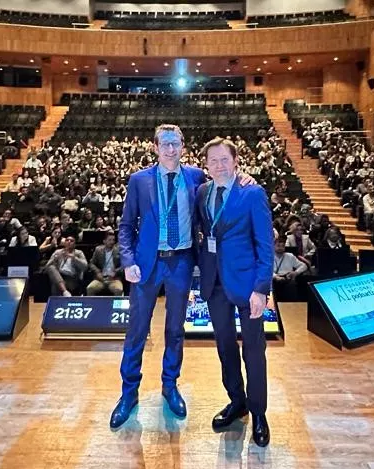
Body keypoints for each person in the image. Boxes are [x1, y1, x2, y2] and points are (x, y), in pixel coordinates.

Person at [111, 124, 254, 429]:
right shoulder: (139, 181)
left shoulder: (196, 177)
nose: (171, 149)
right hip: (146, 265)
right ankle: (128, 393)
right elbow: (125, 227)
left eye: (176, 144)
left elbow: (224, 184)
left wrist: (243, 178)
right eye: (165, 144)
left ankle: (170, 386)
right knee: (137, 330)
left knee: (175, 330)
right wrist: (128, 259)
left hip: (182, 262)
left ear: (183, 146)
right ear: (155, 147)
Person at [196, 137, 273, 447]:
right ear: (206, 165)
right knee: (225, 348)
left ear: (236, 160)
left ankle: (259, 412)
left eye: (224, 159)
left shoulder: (253, 193)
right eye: (212, 160)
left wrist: (261, 289)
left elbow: (265, 245)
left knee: (253, 352)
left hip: (246, 285)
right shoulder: (202, 192)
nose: (218, 164)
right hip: (214, 284)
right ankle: (237, 401)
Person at [87, 231, 123, 296]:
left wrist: (116, 271)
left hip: (114, 279)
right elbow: (91, 263)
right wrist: (97, 272)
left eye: (113, 240)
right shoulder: (98, 250)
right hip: (100, 279)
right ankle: (92, 306)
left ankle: (116, 306)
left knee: (119, 290)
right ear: (104, 241)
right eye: (109, 240)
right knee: (90, 288)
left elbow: (124, 265)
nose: (112, 242)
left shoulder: (118, 250)